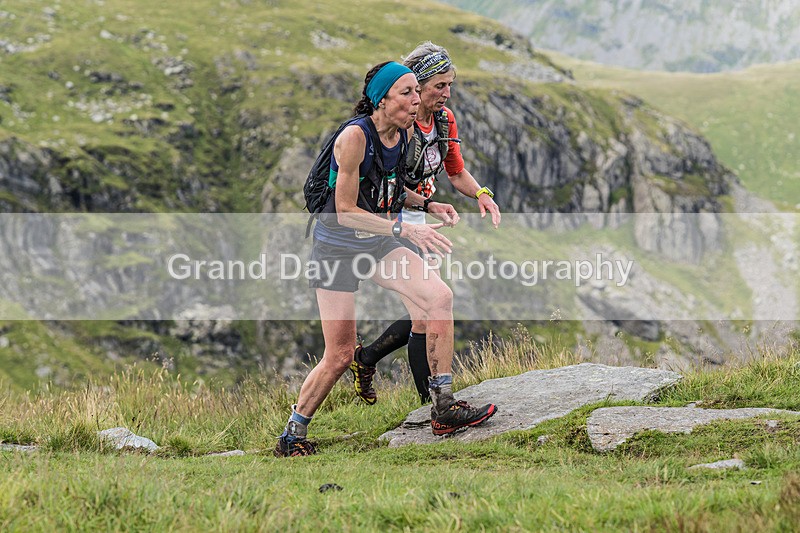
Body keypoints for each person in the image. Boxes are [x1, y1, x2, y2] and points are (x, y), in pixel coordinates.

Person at [274, 61, 497, 457]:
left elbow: (389, 190)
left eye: (416, 92)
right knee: (340, 354)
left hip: (377, 242)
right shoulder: (354, 138)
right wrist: (404, 229)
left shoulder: (404, 132)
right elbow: (344, 210)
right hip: (337, 248)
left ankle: (443, 407)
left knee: (438, 298)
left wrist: (428, 204)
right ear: (381, 98)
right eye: (407, 93)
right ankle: (293, 433)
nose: (417, 101)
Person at [349, 43, 501, 406]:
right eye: (439, 86)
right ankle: (431, 405)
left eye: (450, 85)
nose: (446, 93)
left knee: (427, 309)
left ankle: (368, 360)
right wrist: (427, 205)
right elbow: (380, 184)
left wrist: (480, 193)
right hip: (391, 219)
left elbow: (456, 169)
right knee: (424, 312)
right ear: (416, 86)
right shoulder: (399, 124)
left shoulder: (445, 120)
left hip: (422, 218)